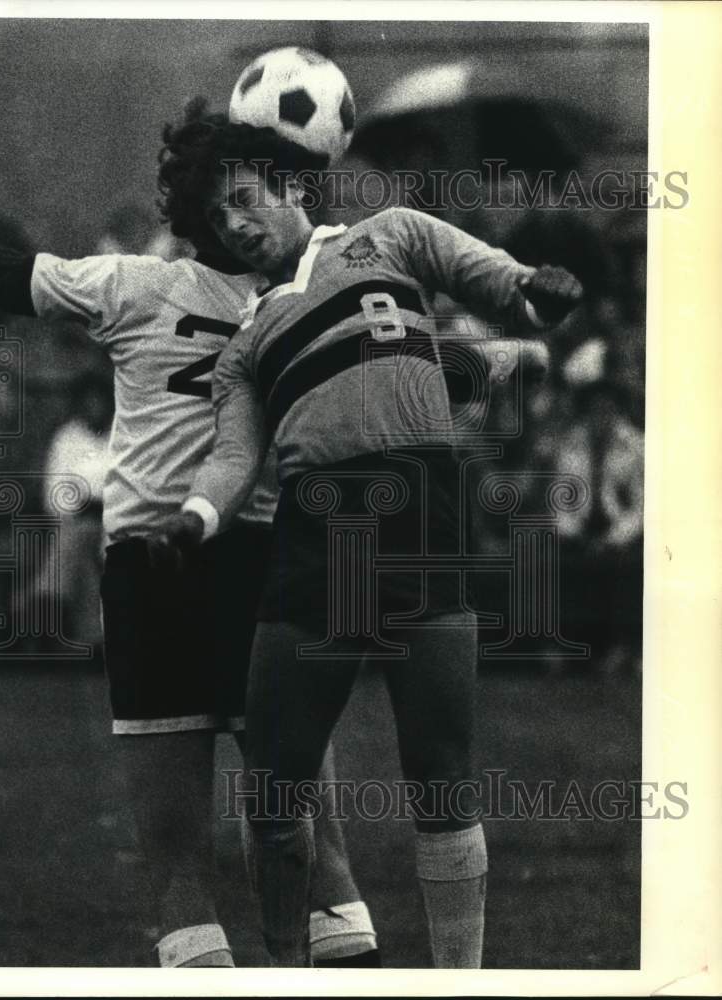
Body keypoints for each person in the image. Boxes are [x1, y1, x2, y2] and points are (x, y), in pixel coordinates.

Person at [147, 119, 583, 967]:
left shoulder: (394, 233)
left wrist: (541, 293)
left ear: (289, 186)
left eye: (242, 199)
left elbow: (506, 285)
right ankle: (286, 972)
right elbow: (235, 455)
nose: (234, 223)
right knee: (274, 788)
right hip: (317, 539)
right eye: (216, 216)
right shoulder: (246, 344)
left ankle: (459, 981)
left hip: (423, 518)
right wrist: (195, 518)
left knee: (442, 778)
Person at [0, 103, 379, 968]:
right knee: (311, 843)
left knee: (177, 861)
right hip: (270, 568)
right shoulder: (310, 300)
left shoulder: (130, 286)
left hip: (157, 572)